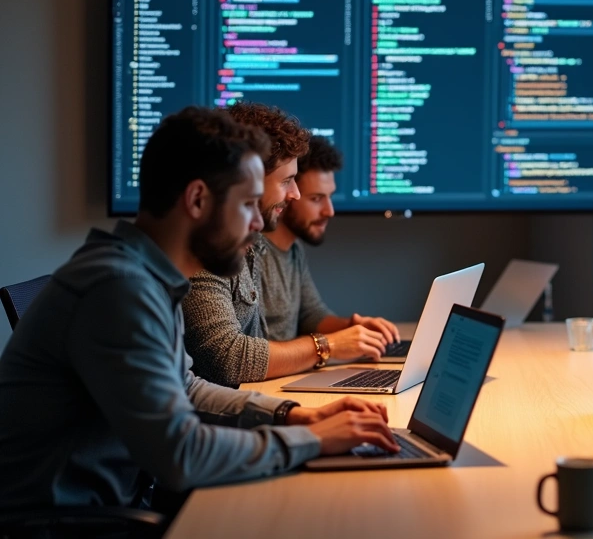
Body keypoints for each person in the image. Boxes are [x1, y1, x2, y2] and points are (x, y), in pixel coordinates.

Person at [0, 108, 399, 511]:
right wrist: (313, 441)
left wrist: (293, 416)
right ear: (197, 200)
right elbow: (181, 454)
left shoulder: (143, 275)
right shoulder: (120, 288)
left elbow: (186, 388)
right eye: (246, 204)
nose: (258, 225)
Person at [182, 103, 398, 387]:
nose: (295, 194)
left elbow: (307, 315)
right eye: (287, 181)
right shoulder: (204, 253)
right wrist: (326, 346)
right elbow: (228, 359)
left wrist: (349, 332)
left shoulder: (248, 245)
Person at [261, 135, 398, 342]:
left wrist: (354, 328)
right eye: (316, 199)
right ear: (289, 192)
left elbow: (311, 315)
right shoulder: (249, 252)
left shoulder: (294, 249)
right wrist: (329, 346)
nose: (329, 211)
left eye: (330, 197)